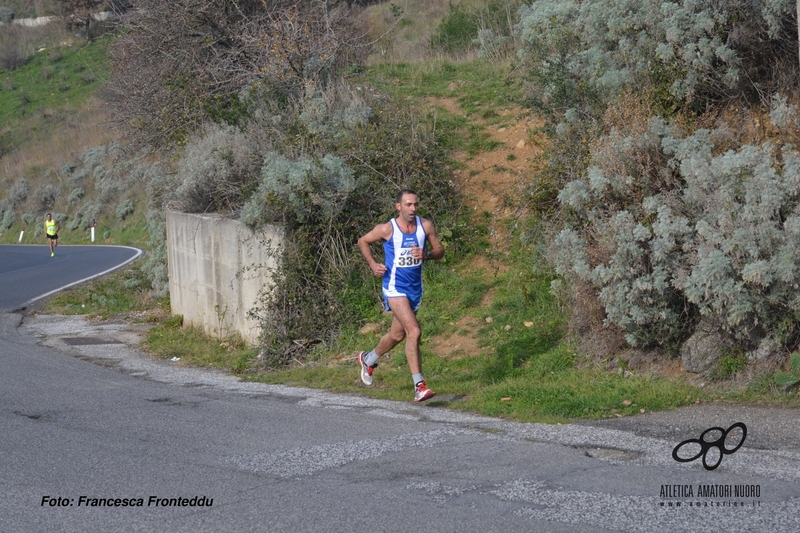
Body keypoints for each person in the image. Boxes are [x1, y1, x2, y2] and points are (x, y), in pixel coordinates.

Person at [356, 189, 445, 402]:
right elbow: (363, 241)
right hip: (394, 288)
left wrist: (427, 254)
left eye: (415, 204)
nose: (413, 208)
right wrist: (372, 264)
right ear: (399, 206)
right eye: (408, 204)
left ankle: (368, 359)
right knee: (414, 330)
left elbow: (440, 250)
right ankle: (419, 386)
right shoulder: (387, 229)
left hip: (415, 290)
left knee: (397, 335)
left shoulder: (426, 226)